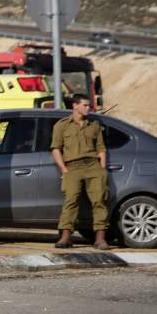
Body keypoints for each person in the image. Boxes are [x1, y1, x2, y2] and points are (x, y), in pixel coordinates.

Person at [51, 94, 109, 250]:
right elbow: (56, 149)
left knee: (99, 201)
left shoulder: (94, 125)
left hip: (93, 166)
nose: (88, 108)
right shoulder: (62, 125)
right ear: (75, 106)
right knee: (71, 201)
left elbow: (101, 148)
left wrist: (102, 169)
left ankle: (100, 239)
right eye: (85, 105)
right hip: (73, 167)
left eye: (89, 105)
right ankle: (65, 237)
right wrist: (63, 168)